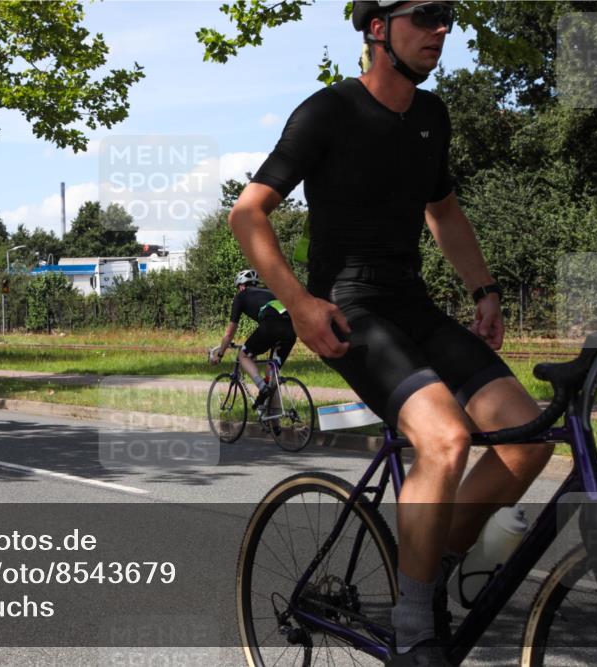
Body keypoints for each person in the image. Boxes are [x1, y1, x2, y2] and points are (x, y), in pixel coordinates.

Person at [228, 2, 551, 664]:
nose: (443, 29)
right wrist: (301, 303)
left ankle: (426, 567)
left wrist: (484, 290)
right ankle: (414, 621)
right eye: (427, 15)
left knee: (528, 438)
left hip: (414, 304)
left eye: (449, 16)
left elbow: (445, 210)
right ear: (378, 27)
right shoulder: (329, 112)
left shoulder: (431, 117)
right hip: (351, 311)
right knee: (445, 438)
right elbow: (247, 212)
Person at [210, 269, 297, 409]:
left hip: (271, 326)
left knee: (243, 355)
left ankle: (262, 387)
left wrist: (219, 354)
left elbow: (229, 333)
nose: (239, 291)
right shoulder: (270, 293)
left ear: (242, 286)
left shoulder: (241, 296)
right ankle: (274, 422)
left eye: (238, 288)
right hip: (291, 329)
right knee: (271, 372)